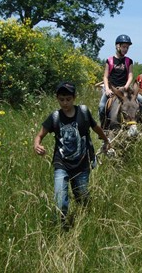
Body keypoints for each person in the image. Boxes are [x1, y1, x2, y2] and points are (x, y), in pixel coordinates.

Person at [34, 81, 110, 229]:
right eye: (61, 99)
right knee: (60, 200)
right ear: (57, 98)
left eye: (68, 99)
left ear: (74, 98)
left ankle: (86, 219)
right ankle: (62, 227)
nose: (65, 103)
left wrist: (106, 141)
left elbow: (96, 128)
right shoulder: (55, 117)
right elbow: (39, 135)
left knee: (81, 195)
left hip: (82, 163)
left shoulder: (83, 112)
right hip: (61, 163)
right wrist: (37, 144)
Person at [98, 34, 142, 127]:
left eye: (127, 47)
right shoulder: (110, 60)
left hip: (125, 89)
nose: (126, 49)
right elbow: (105, 77)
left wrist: (126, 87)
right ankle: (103, 127)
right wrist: (107, 89)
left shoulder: (129, 61)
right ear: (117, 46)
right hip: (112, 89)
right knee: (101, 106)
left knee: (140, 99)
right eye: (124, 47)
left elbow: (130, 76)